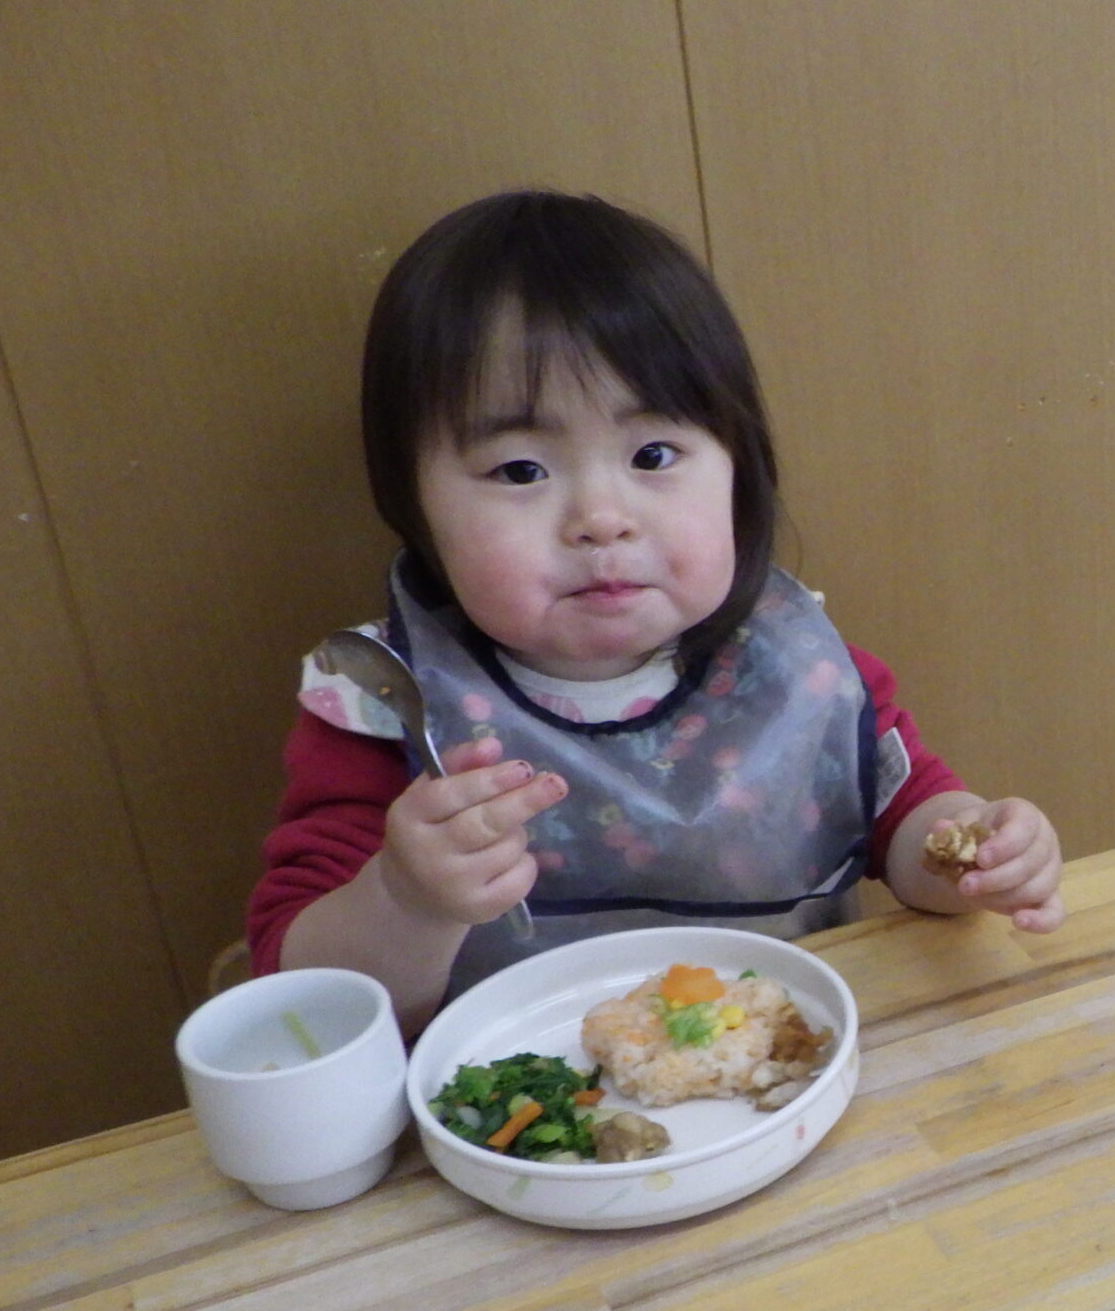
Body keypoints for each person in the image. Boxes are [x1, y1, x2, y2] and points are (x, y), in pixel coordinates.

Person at [250, 189, 1064, 1025]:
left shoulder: (790, 664)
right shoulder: (388, 705)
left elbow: (903, 821)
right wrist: (405, 899)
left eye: (653, 455)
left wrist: (973, 850)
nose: (602, 518)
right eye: (521, 470)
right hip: (521, 1097)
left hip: (781, 1063)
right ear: (414, 506)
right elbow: (298, 996)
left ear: (739, 469)